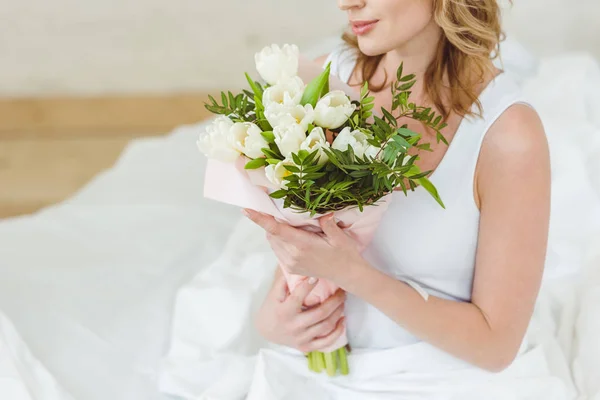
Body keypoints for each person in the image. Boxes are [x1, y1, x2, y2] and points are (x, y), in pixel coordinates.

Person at [241, 0, 567, 398]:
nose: (347, 3)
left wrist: (353, 274)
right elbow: (308, 245)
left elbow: (495, 346)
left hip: (445, 378)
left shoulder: (507, 133)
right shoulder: (325, 84)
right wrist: (277, 322)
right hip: (320, 372)